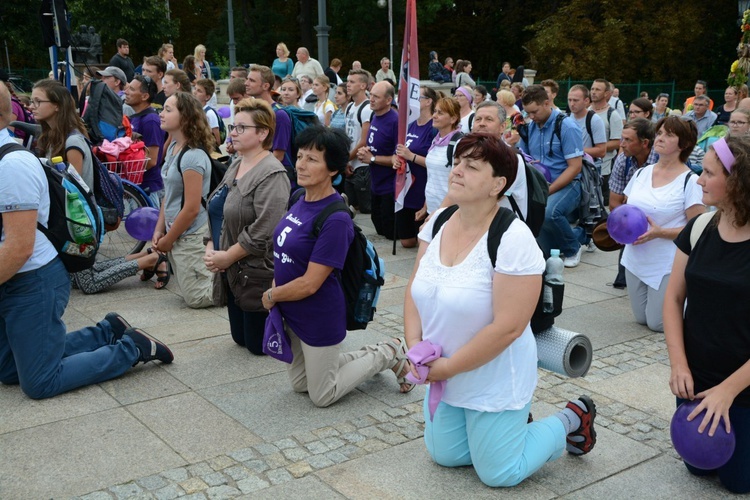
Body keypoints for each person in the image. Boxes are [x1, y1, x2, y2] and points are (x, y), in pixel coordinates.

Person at [403, 132, 597, 487]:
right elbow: (414, 290)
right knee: (445, 455)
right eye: (457, 162)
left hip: (492, 374)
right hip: (443, 370)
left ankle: (572, 418)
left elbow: (509, 327)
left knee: (499, 473)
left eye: (471, 166)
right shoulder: (439, 221)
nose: (457, 170)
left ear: (498, 184)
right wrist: (414, 348)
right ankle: (503, 431)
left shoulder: (513, 237)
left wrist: (445, 367)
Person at [0, 83, 173, 400]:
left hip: (34, 275)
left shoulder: (12, 166)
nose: (34, 106)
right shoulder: (36, 146)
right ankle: (107, 331)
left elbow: (19, 247)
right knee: (9, 369)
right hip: (19, 274)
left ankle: (132, 348)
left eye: (40, 101)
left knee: (40, 382)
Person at [261, 125, 412, 405]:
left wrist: (271, 295)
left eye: (312, 159)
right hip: (290, 309)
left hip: (319, 315)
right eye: (301, 156)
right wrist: (276, 290)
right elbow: (284, 253)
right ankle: (368, 355)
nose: (301, 165)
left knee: (322, 394)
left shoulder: (336, 219)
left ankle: (389, 351)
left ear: (332, 169)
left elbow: (311, 283)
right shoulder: (298, 198)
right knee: (300, 384)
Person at [663, 135, 750, 494]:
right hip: (696, 381)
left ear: (737, 183)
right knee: (698, 468)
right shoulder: (699, 227)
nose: (698, 179)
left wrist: (727, 393)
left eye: (708, 173)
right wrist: (678, 365)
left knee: (736, 483)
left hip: (742, 388)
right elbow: (673, 297)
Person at [204, 98, 290, 355]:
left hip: (254, 274)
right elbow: (219, 209)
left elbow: (265, 230)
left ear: (262, 132)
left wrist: (226, 256)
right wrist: (210, 244)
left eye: (241, 128)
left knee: (257, 346)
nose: (232, 133)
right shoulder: (236, 164)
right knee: (240, 339)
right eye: (233, 126)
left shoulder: (273, 173)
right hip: (231, 271)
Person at [621, 116, 705, 332]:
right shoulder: (641, 173)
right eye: (659, 133)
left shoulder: (690, 181)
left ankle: (690, 303)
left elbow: (698, 228)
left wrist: (660, 232)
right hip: (636, 255)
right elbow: (626, 210)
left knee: (657, 323)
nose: (660, 138)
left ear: (684, 144)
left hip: (666, 260)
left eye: (669, 135)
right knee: (641, 319)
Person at [155, 92, 215, 308]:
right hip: (178, 233)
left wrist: (169, 239)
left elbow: (191, 208)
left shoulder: (192, 157)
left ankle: (238, 286)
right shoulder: (173, 147)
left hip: (190, 235)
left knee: (197, 299)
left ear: (186, 118)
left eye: (168, 110)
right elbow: (168, 194)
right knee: (191, 294)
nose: (161, 114)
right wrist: (158, 230)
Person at [519, 85, 584, 265]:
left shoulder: (567, 126)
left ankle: (573, 248)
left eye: (534, 111)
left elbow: (575, 168)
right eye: (528, 113)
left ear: (547, 103)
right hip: (540, 183)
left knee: (549, 213)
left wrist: (548, 191)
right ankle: (581, 234)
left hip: (568, 183)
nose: (531, 117)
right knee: (542, 243)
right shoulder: (532, 126)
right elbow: (523, 158)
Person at [608, 118, 659, 289]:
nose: (621, 144)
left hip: (660, 215)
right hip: (633, 218)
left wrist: (630, 200)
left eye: (628, 140)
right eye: (622, 139)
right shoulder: (623, 160)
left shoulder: (661, 159)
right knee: (627, 223)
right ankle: (624, 277)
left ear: (645, 143)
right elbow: (615, 205)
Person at [392, 86, 438, 247]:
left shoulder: (434, 128)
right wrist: (395, 160)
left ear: (428, 102)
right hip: (406, 188)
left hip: (422, 188)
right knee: (406, 242)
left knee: (422, 240)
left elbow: (436, 163)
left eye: (417, 97)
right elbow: (397, 152)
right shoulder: (409, 125)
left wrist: (411, 156)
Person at [356, 81, 398, 239]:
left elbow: (397, 158)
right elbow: (374, 143)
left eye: (376, 96)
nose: (371, 99)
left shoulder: (395, 121)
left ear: (388, 100)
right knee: (378, 226)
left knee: (389, 233)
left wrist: (372, 158)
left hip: (390, 186)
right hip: (376, 183)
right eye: (370, 94)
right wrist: (365, 151)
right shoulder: (374, 115)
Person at [423, 96, 462, 216]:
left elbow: (460, 182)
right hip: (432, 209)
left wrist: (439, 212)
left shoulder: (458, 143)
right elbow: (432, 177)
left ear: (453, 119)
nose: (434, 115)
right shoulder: (436, 140)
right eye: (435, 111)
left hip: (449, 211)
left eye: (440, 113)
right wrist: (425, 206)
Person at [344, 69, 374, 214]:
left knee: (365, 209)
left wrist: (346, 159)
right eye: (348, 81)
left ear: (363, 86)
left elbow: (364, 141)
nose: (348, 85)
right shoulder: (349, 106)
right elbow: (347, 135)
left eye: (352, 82)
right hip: (350, 163)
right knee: (350, 206)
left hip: (362, 165)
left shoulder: (367, 108)